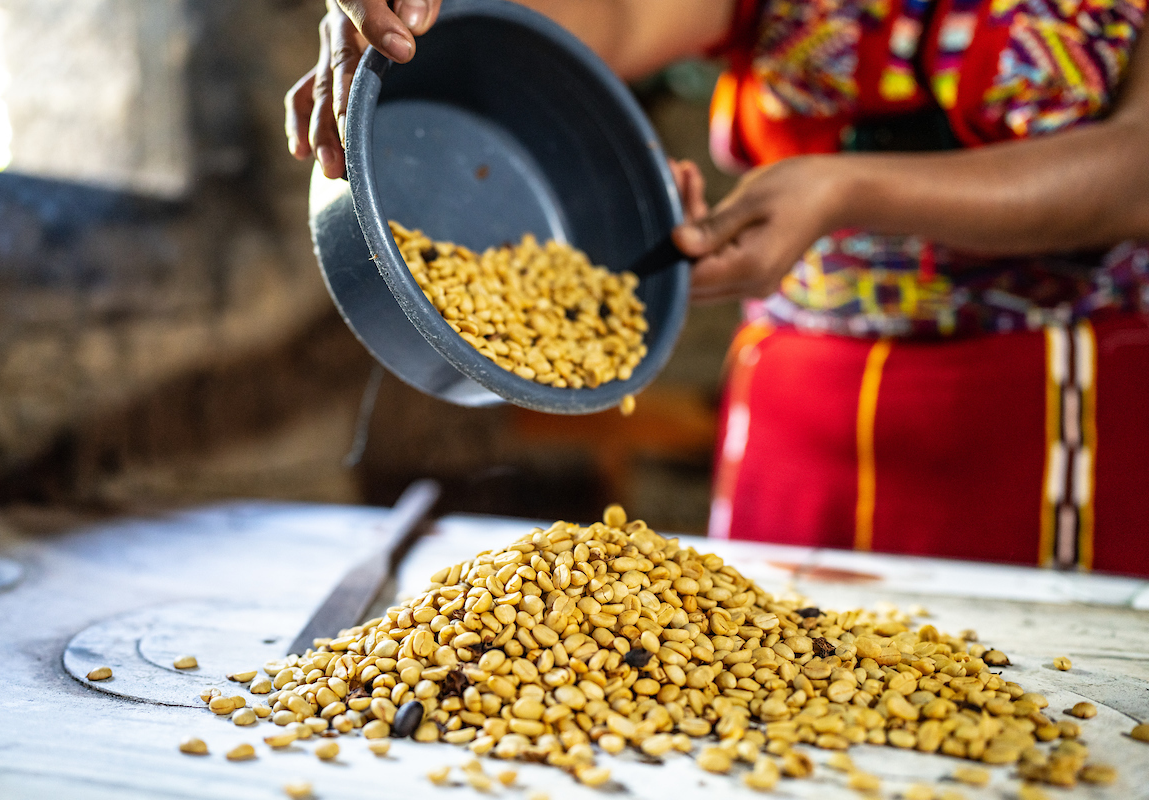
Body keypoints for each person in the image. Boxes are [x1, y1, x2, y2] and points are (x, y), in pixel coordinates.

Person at [287, 0, 1149, 575]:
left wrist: (849, 192)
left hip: (1054, 401)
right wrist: (419, 14)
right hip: (798, 397)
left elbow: (1136, 170)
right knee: (773, 690)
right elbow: (614, 16)